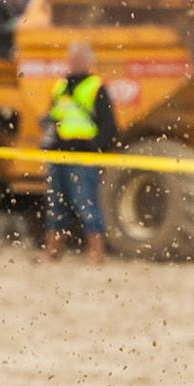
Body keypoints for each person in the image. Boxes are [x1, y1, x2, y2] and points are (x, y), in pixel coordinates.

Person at [41, 39, 118, 266]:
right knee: (55, 205)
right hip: (58, 154)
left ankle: (96, 252)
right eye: (71, 58)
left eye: (78, 58)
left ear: (87, 61)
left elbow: (109, 126)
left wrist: (93, 147)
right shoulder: (60, 87)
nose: (73, 62)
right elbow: (54, 117)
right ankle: (53, 250)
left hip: (82, 157)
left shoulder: (95, 87)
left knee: (86, 203)